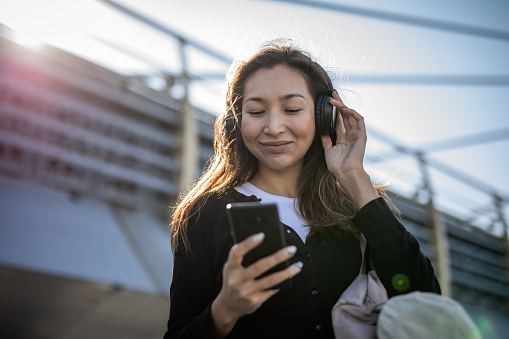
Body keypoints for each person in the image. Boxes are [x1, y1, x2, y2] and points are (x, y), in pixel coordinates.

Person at [163, 39, 441, 339]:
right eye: (256, 112)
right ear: (237, 121)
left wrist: (353, 176)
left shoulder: (356, 205)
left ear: (324, 116)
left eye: (292, 109)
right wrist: (224, 310)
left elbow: (424, 297)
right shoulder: (206, 212)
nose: (273, 127)